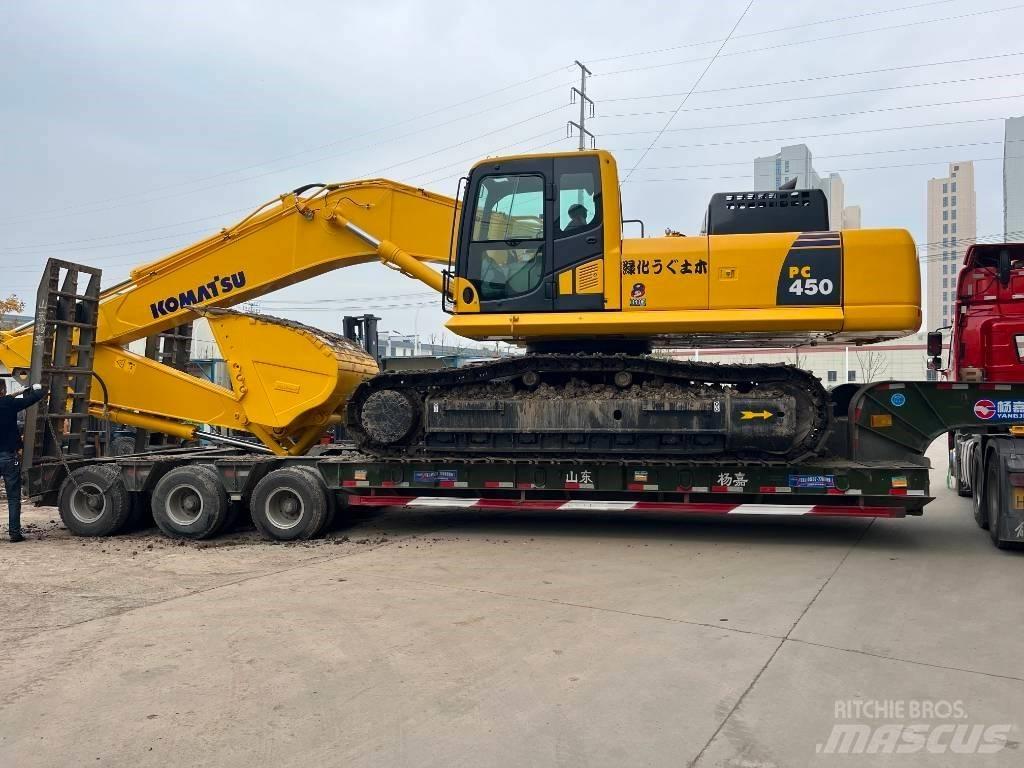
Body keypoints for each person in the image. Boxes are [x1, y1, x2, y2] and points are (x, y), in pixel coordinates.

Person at [0, 380, 45, 542]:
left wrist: (16, 393)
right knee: (13, 498)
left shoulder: (8, 400)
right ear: (3, 389)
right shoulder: (8, 403)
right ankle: (14, 533)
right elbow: (35, 397)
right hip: (8, 457)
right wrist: (35, 388)